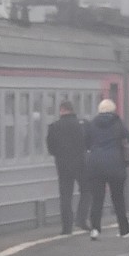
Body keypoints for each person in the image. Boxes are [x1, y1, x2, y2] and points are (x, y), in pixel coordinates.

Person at [83, 98, 129, 239]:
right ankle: (124, 230)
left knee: (97, 199)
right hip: (115, 164)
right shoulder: (118, 123)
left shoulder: (92, 124)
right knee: (118, 198)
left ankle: (95, 229)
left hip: (96, 165)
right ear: (113, 110)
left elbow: (86, 143)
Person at [46, 100, 89, 234]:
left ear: (62, 110)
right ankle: (81, 219)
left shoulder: (54, 126)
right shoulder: (82, 125)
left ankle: (66, 227)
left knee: (65, 195)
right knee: (86, 190)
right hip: (81, 163)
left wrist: (60, 154)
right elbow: (88, 143)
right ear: (72, 110)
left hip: (62, 165)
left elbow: (51, 148)